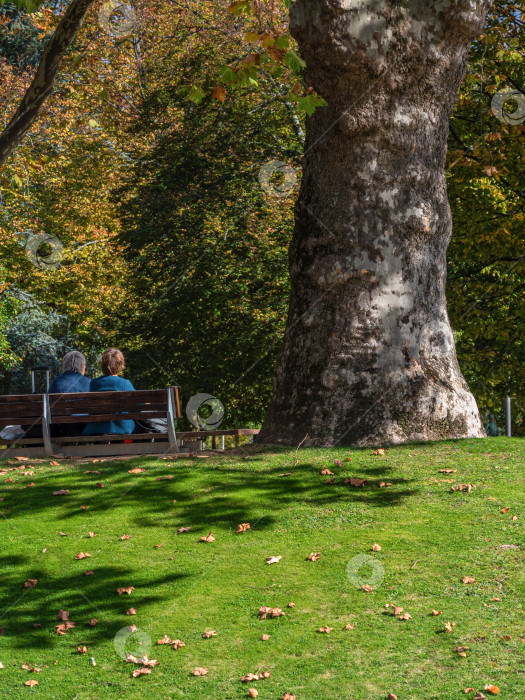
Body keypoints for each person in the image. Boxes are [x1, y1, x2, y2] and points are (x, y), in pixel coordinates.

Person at [83, 348, 136, 436]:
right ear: (120, 365)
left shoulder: (94, 383)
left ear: (102, 366)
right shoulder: (125, 383)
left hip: (96, 427)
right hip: (121, 428)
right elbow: (138, 406)